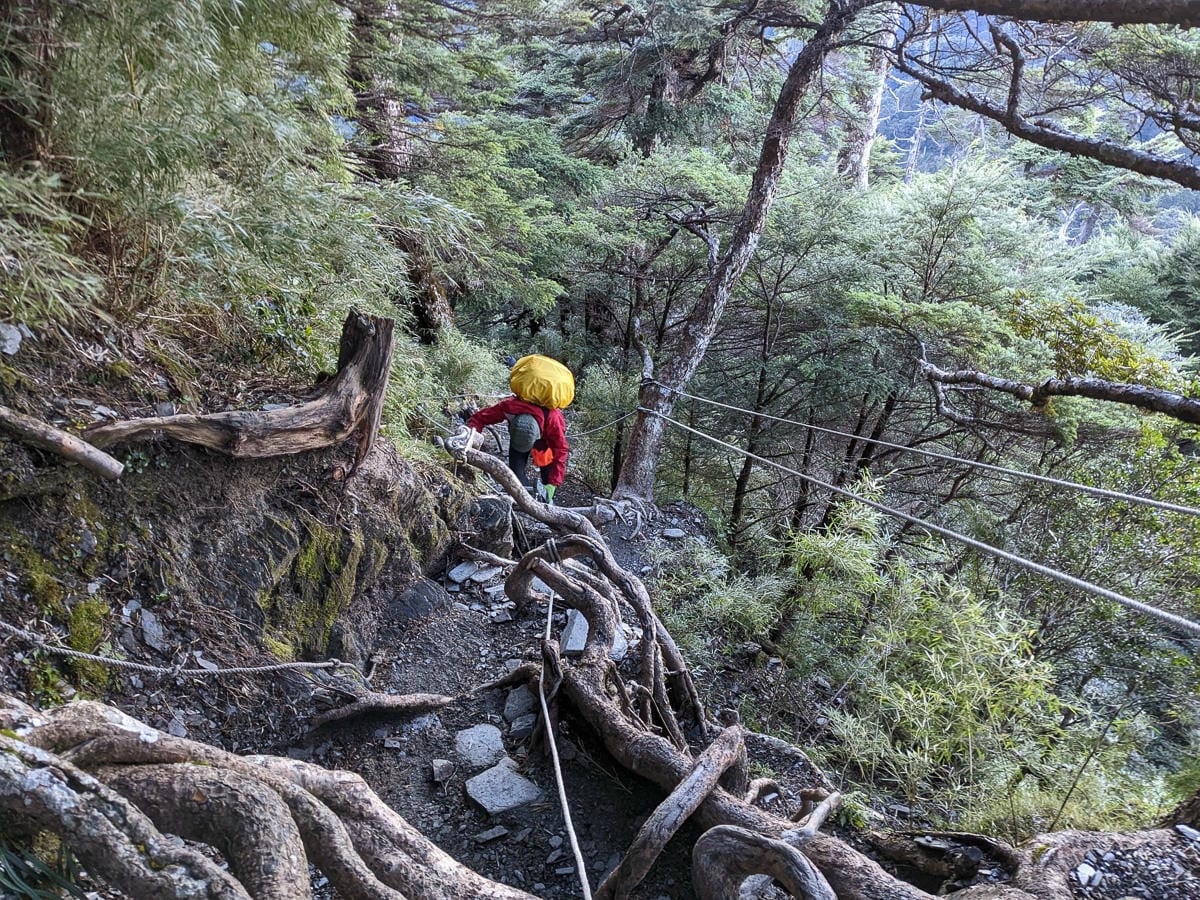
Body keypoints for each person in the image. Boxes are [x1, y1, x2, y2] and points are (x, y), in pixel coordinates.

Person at [454, 395, 569, 504]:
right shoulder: (510, 407)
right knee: (516, 474)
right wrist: (470, 438)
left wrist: (553, 483)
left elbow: (560, 450)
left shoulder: (553, 418)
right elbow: (480, 418)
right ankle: (527, 501)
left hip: (544, 441)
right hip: (518, 439)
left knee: (547, 471)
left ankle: (546, 499)